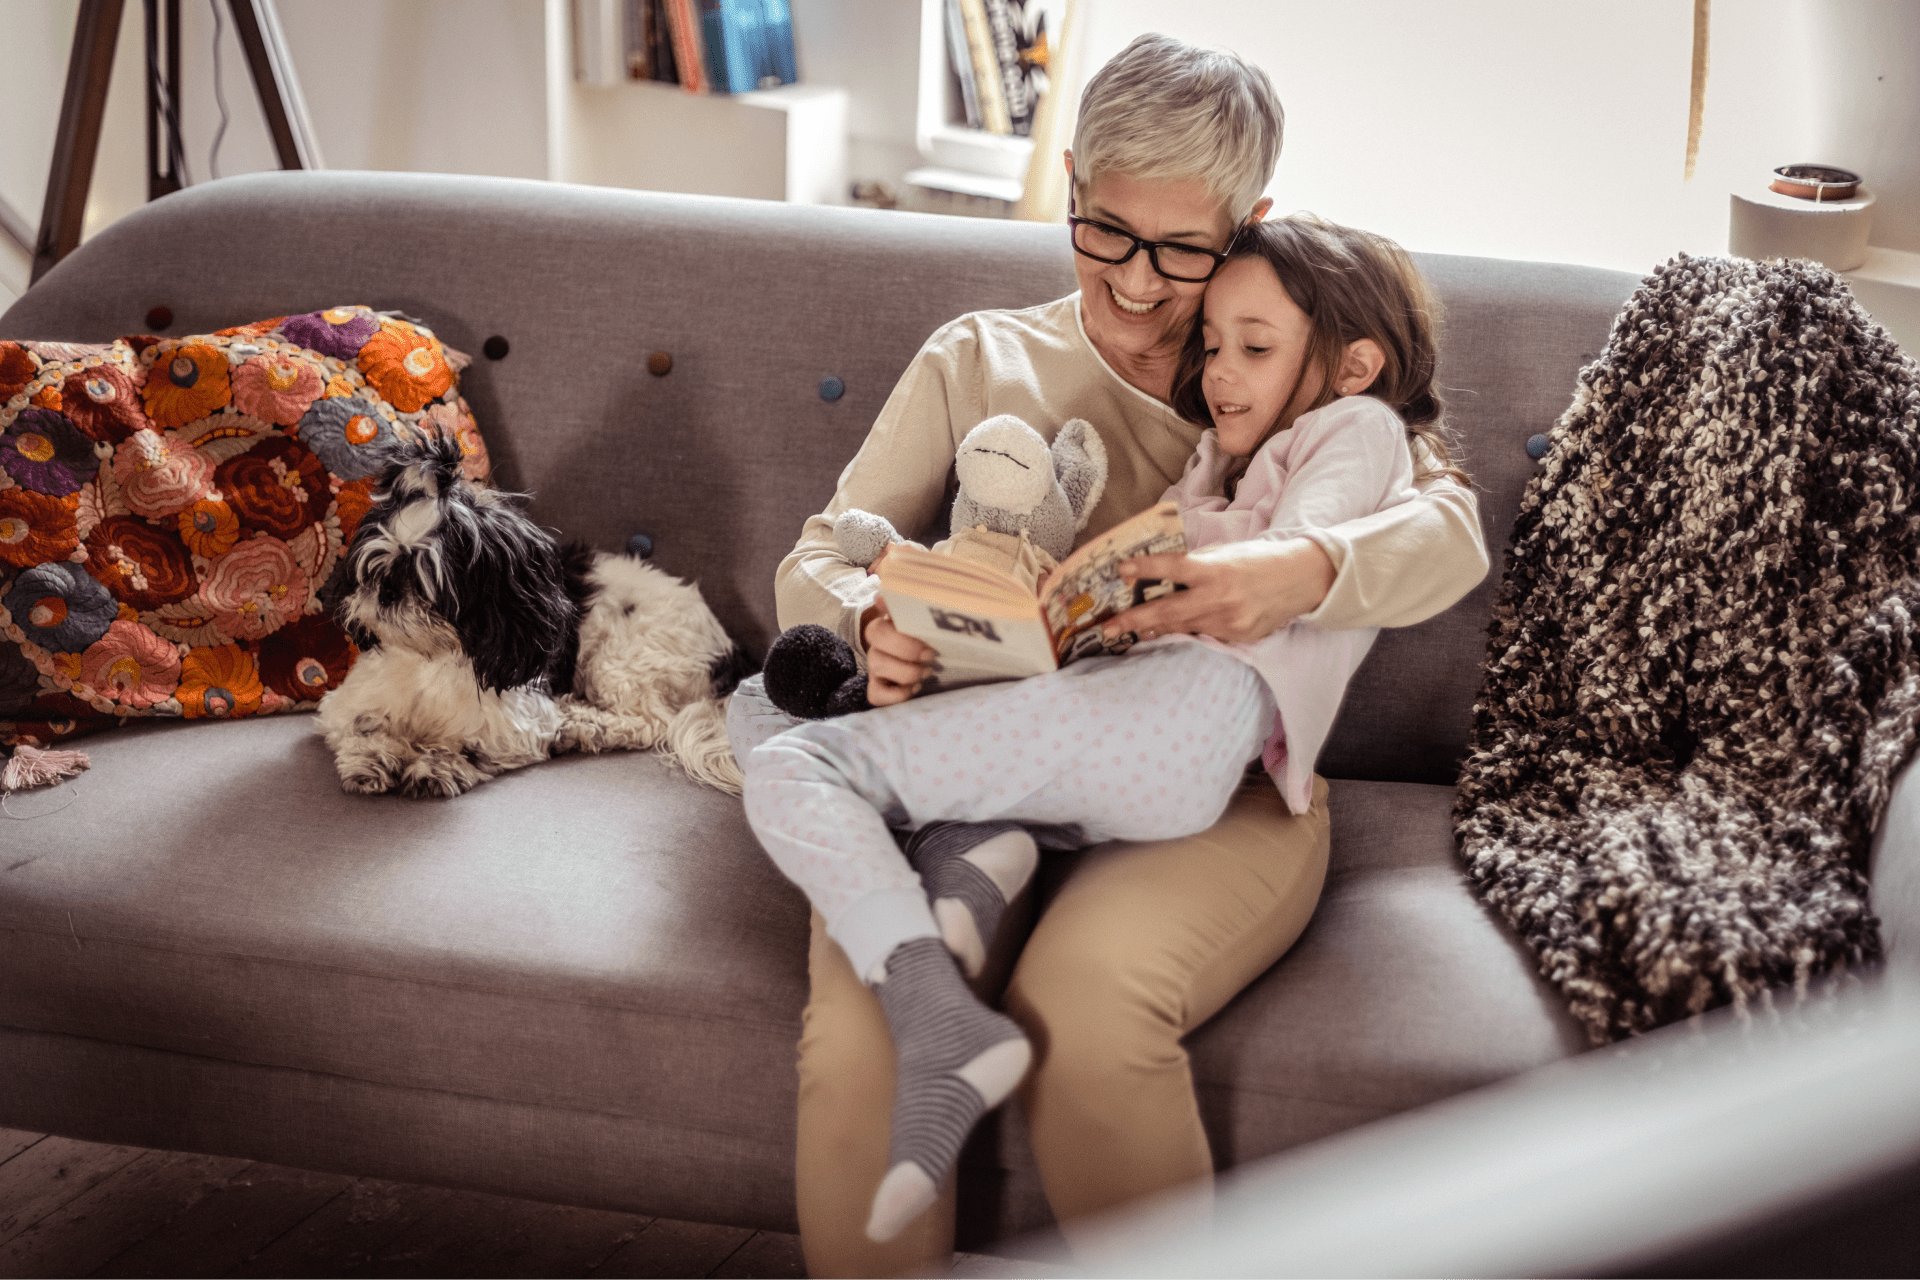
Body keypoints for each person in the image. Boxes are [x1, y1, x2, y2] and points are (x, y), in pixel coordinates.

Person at [728, 33, 1491, 1277]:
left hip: (1217, 796)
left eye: (1183, 250)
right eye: (1104, 232)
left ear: (1250, 223)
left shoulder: (1282, 361)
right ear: (1071, 183)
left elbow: (1446, 525)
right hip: (975, 765)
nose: (1136, 285)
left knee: (1088, 1011)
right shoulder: (981, 356)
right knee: (867, 1032)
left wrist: (1291, 572)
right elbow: (822, 552)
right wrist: (873, 620)